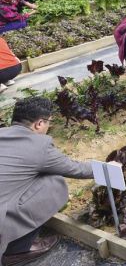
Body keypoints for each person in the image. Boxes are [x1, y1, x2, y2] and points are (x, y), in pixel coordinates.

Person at [0, 97, 95, 264]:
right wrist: (110, 167)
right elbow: (75, 169)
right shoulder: (38, 146)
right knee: (53, 182)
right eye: (49, 122)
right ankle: (17, 249)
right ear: (39, 124)